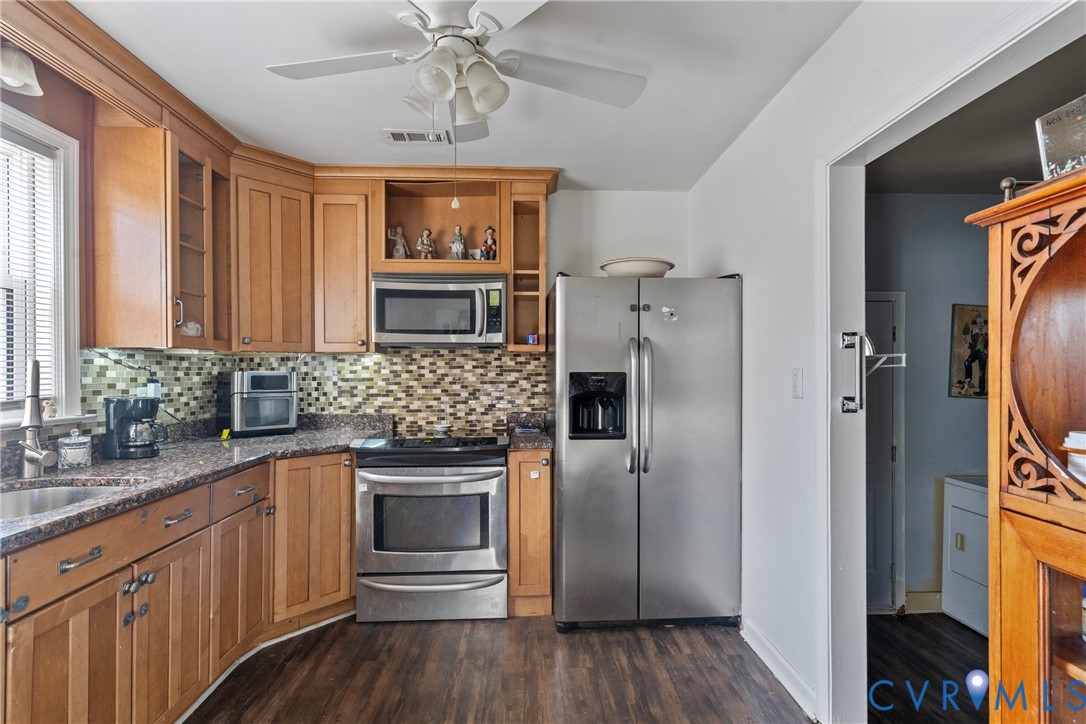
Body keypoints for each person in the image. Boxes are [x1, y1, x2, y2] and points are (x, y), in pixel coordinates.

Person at [957, 312, 988, 395]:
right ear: (976, 323)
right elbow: (973, 345)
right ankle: (968, 380)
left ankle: (982, 390)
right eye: (978, 322)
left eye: (981, 321)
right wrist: (966, 343)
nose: (980, 323)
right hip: (976, 351)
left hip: (984, 353)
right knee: (967, 362)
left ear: (983, 322)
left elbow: (992, 342)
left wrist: (988, 351)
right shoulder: (973, 332)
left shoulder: (989, 331)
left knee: (982, 371)